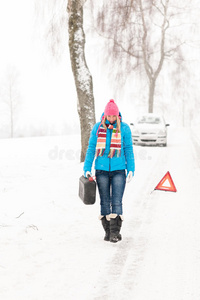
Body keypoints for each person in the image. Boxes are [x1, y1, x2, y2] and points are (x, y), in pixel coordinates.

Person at [83, 99, 135, 243]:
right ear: (105, 116)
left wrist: (131, 169)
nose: (111, 119)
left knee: (116, 201)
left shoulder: (124, 129)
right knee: (105, 201)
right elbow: (91, 149)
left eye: (114, 116)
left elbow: (129, 150)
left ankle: (114, 233)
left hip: (119, 170)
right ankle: (107, 231)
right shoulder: (97, 128)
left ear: (117, 116)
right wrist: (87, 168)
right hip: (101, 171)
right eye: (109, 116)